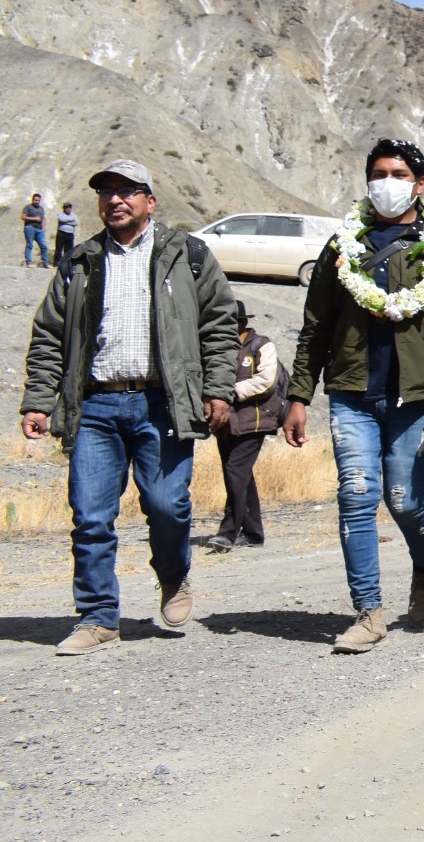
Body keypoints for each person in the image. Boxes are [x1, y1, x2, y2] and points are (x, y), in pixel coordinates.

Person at [19, 159, 237, 654]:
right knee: (91, 517)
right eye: (107, 192)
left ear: (150, 201)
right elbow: (49, 335)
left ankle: (173, 575)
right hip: (95, 406)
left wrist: (218, 389)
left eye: (127, 191)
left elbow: (220, 324)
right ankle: (98, 617)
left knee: (167, 505)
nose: (115, 200)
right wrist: (38, 400)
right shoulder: (80, 261)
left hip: (163, 403)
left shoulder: (187, 255)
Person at [285, 139, 424, 655]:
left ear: (420, 184)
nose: (387, 182)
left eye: (399, 174)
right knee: (356, 495)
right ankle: (368, 612)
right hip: (352, 392)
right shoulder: (342, 244)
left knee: (404, 498)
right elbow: (315, 327)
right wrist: (299, 394)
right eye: (378, 173)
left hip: (415, 397)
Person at [204, 302, 286, 552]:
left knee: (235, 471)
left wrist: (226, 391)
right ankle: (253, 533)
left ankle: (227, 533)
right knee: (241, 475)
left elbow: (266, 381)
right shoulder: (218, 348)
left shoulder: (261, 345)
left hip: (255, 421)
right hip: (226, 422)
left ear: (242, 323)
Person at [21, 191, 49, 266]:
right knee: (29, 245)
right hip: (30, 228)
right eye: (35, 200)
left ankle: (46, 263)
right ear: (32, 200)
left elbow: (43, 218)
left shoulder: (41, 208)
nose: (37, 201)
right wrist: (34, 219)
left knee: (44, 246)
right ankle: (29, 262)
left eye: (38, 200)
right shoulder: (28, 207)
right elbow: (23, 217)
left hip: (39, 230)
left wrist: (44, 227)